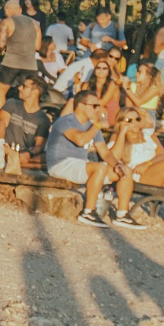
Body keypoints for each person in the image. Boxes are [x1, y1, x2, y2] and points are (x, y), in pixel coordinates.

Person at [46, 92, 144, 229]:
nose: (98, 109)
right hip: (60, 164)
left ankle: (122, 214)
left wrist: (117, 164)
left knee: (125, 170)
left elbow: (104, 152)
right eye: (94, 106)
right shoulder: (65, 121)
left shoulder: (92, 126)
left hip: (80, 165)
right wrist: (97, 126)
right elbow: (80, 140)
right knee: (99, 168)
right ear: (81, 106)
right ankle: (88, 212)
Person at [0, 76, 52, 171]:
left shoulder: (43, 119)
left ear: (35, 92)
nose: (19, 88)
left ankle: (17, 162)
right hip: (5, 148)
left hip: (24, 154)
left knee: (47, 157)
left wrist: (29, 154)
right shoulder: (12, 104)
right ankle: (19, 163)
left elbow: (39, 145)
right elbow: (2, 123)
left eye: (24, 86)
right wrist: (2, 143)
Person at [0, 0, 41, 105]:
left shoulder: (6, 22)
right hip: (30, 64)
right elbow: (37, 47)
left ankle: (1, 118)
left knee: (0, 91)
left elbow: (1, 44)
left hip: (11, 63)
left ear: (7, 9)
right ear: (20, 9)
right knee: (28, 95)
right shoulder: (35, 23)